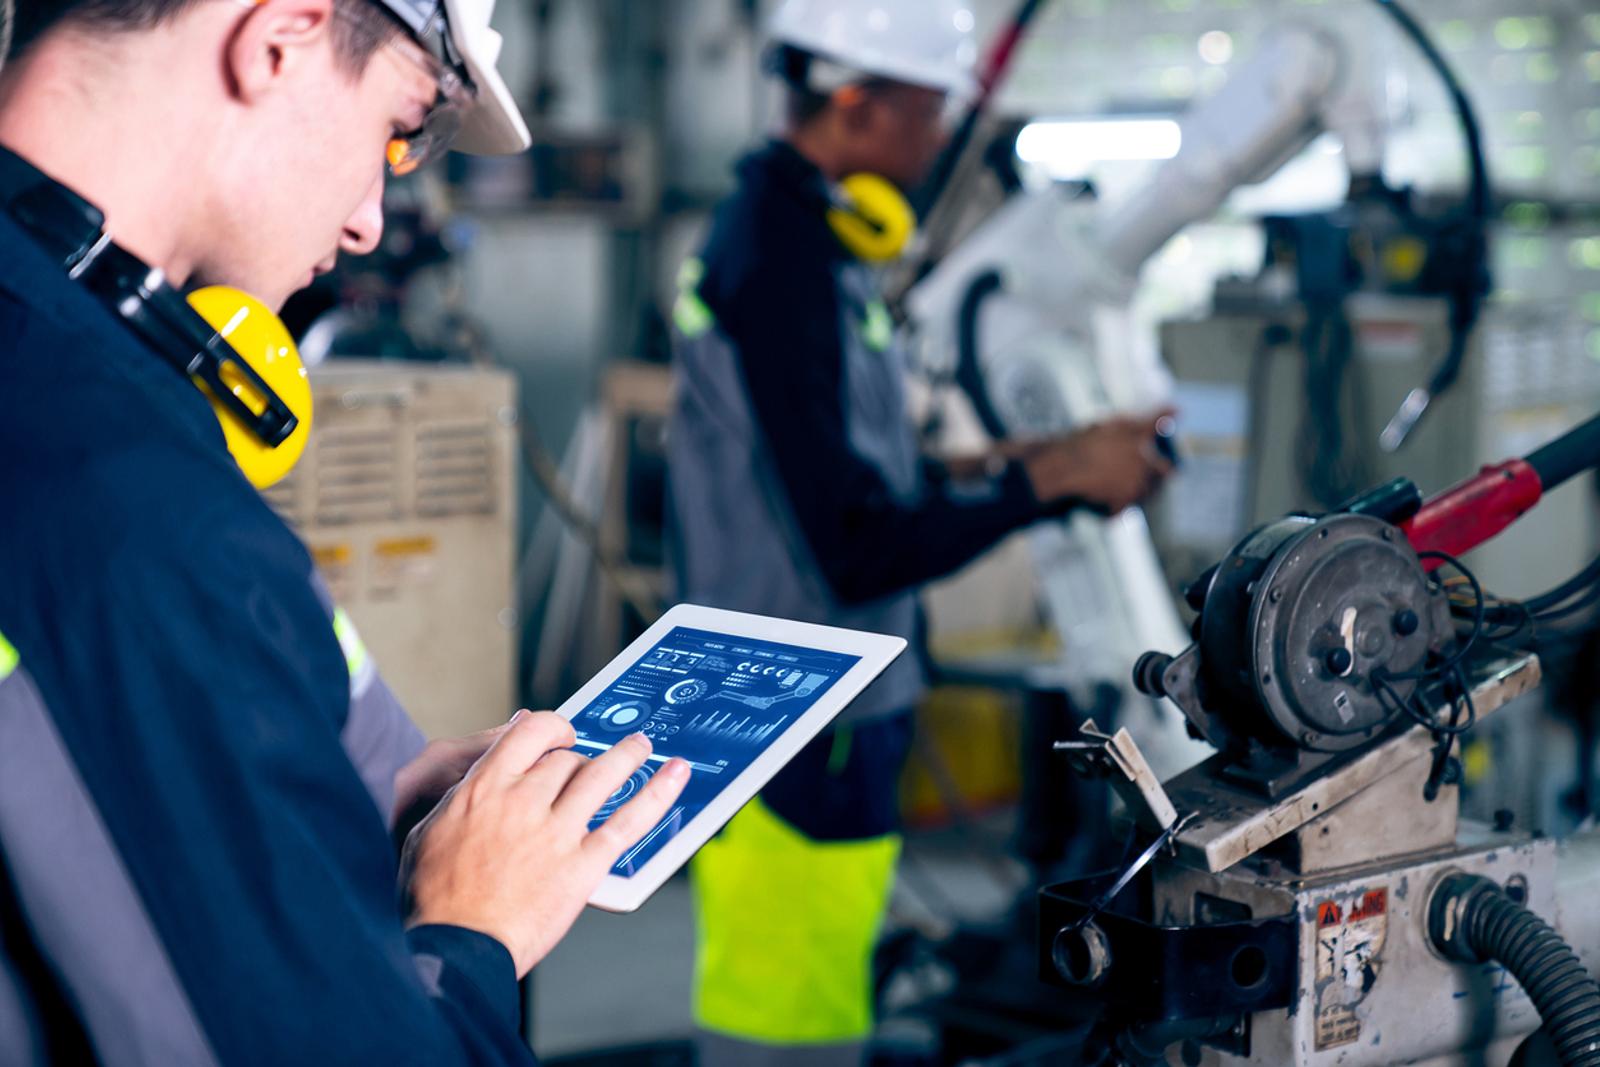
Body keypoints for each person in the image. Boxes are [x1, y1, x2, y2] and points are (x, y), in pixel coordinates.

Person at [0, 0, 688, 1062]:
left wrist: (321, 784)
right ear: (281, 38)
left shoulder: (61, 385)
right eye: (395, 126)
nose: (369, 217)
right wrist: (472, 931)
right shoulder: (135, 500)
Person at [668, 1, 1174, 1063]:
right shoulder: (783, 261)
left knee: (819, 998)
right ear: (856, 101)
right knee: (784, 1024)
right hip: (789, 710)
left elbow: (830, 468)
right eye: (927, 109)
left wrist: (1015, 463)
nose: (939, 136)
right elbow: (854, 543)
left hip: (820, 700)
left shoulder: (808, 240)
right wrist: (1054, 481)